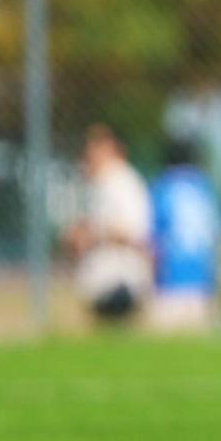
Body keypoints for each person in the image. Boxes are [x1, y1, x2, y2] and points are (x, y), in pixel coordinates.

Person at [66, 124, 152, 323]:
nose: (90, 154)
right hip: (105, 273)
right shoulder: (100, 183)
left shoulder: (122, 181)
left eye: (96, 147)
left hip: (122, 274)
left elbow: (133, 232)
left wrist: (93, 235)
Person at [149, 138, 221, 331]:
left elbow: (153, 238)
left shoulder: (162, 188)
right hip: (202, 280)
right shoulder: (204, 188)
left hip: (171, 279)